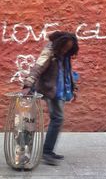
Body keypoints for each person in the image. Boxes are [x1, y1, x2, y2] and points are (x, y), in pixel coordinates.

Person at [22, 31, 79, 165]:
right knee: (57, 119)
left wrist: (73, 87)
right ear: (59, 44)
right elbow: (38, 67)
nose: (66, 50)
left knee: (57, 119)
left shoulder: (65, 56)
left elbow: (67, 72)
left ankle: (48, 151)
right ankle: (47, 152)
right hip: (50, 89)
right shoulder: (49, 51)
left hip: (60, 91)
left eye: (69, 48)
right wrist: (27, 84)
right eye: (65, 47)